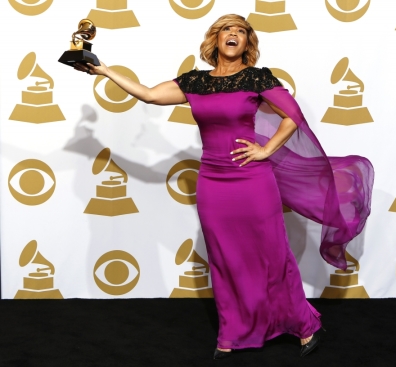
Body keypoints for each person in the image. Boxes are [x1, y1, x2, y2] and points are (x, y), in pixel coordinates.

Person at [74, 14, 374, 359]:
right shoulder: (196, 82)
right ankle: (231, 332)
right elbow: (150, 95)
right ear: (215, 39)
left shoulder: (257, 78)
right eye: (227, 30)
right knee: (224, 258)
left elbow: (293, 117)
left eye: (241, 31)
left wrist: (265, 150)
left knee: (271, 256)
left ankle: (305, 326)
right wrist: (104, 70)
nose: (234, 34)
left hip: (253, 181)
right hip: (212, 183)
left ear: (248, 43)